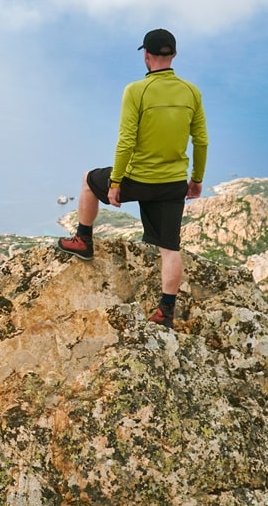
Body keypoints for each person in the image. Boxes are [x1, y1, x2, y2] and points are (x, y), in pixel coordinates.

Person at [57, 28, 208, 329]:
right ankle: (166, 311)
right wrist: (196, 179)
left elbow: (126, 141)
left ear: (146, 56)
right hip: (172, 184)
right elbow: (201, 140)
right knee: (170, 248)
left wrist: (115, 183)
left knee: (88, 179)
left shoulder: (136, 91)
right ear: (174, 55)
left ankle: (83, 239)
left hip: (138, 179)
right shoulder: (191, 92)